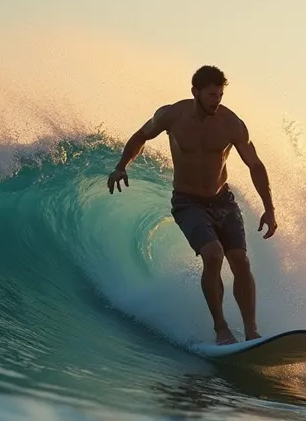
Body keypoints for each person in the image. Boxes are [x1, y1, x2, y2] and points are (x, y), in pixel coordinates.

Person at [107, 66, 277, 345]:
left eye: (220, 95)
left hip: (223, 200)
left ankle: (251, 331)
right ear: (195, 92)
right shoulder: (172, 115)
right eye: (211, 95)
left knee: (240, 261)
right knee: (213, 255)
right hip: (187, 202)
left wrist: (269, 208)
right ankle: (221, 329)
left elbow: (255, 165)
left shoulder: (231, 124)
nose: (216, 101)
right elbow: (141, 136)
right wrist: (121, 166)